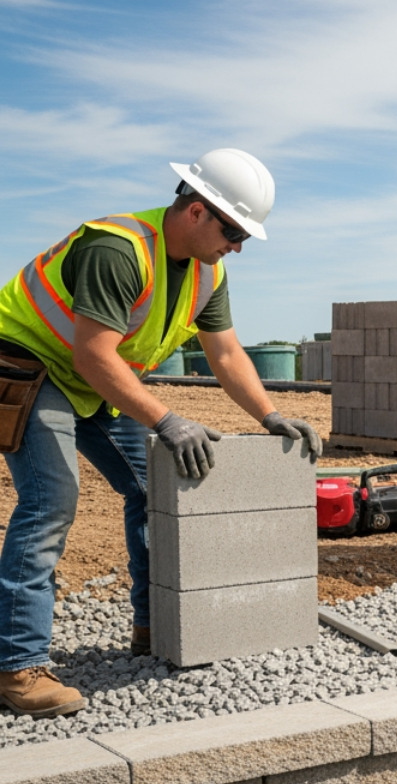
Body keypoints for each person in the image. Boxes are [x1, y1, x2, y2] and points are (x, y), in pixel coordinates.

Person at [0, 148, 321, 718]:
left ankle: (157, 624)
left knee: (154, 489)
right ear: (196, 211)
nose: (238, 245)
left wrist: (268, 416)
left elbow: (223, 351)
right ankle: (17, 667)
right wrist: (167, 420)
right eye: (233, 229)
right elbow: (95, 353)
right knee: (52, 501)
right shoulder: (118, 249)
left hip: (91, 378)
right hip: (31, 363)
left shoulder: (207, 271)